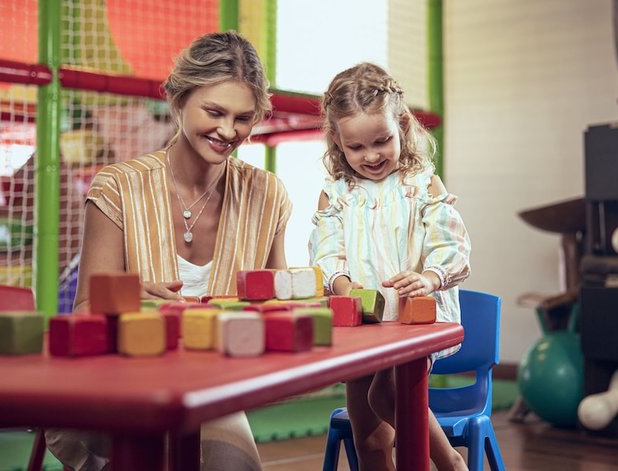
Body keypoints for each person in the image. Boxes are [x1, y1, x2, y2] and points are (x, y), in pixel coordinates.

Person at [45, 31, 291, 471]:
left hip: (212, 388)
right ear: (178, 99)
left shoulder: (267, 194)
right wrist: (125, 300)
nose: (228, 131)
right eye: (214, 112)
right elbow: (84, 309)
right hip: (120, 379)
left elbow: (279, 302)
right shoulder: (118, 186)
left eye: (243, 118)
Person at [309, 62, 471, 471]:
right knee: (369, 438)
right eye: (356, 148)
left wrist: (429, 278)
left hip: (412, 319)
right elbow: (326, 257)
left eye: (381, 141)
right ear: (337, 142)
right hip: (362, 324)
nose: (371, 156)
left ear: (401, 125)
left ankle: (450, 461)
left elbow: (451, 246)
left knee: (388, 395)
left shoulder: (421, 185)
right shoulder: (337, 195)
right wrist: (345, 288)